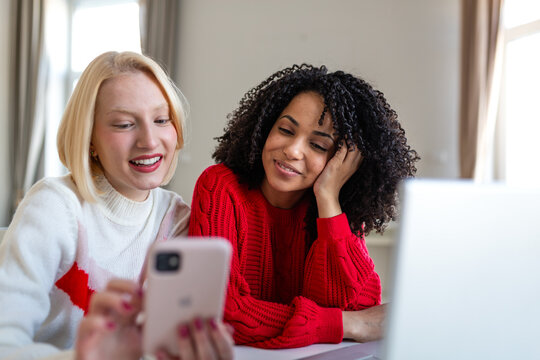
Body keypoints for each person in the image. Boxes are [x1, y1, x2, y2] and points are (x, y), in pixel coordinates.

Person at [0, 51, 233, 360]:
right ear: (90, 140)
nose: (150, 141)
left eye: (161, 120)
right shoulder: (56, 205)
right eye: (124, 124)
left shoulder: (175, 218)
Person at [189, 64, 420, 348]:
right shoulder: (220, 187)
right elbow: (223, 312)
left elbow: (360, 303)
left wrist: (328, 196)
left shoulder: (336, 209)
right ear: (265, 128)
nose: (293, 150)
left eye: (319, 146)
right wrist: (346, 324)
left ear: (342, 161)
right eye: (286, 129)